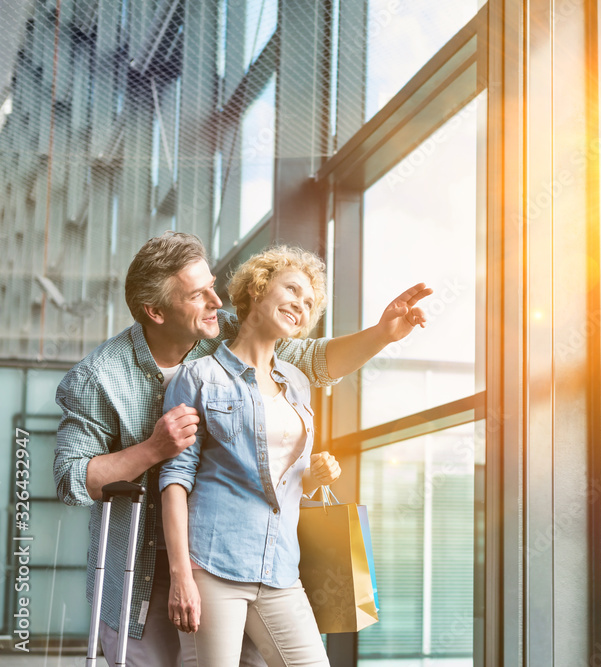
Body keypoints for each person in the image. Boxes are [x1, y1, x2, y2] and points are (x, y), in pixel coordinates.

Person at [53, 231, 431, 666]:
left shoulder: (225, 331)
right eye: (199, 294)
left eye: (212, 285)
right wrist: (153, 448)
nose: (217, 301)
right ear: (155, 311)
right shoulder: (99, 377)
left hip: (238, 553)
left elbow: (312, 361)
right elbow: (71, 479)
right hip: (142, 564)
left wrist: (382, 335)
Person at [160, 246, 361, 665]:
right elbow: (175, 479)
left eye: (310, 303)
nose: (301, 306)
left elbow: (280, 480)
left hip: (281, 567)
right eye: (292, 290)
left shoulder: (297, 383)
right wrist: (182, 576)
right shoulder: (199, 376)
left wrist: (314, 476)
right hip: (214, 565)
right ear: (258, 287)